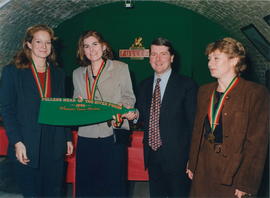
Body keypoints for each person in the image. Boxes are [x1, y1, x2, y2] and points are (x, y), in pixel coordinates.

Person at [186, 37, 269, 198]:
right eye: (209, 59)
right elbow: (197, 131)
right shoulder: (204, 91)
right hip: (203, 168)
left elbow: (257, 144)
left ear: (234, 60)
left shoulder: (255, 93)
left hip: (233, 172)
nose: (210, 64)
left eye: (216, 58)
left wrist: (247, 182)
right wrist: (192, 162)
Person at [0, 24, 73, 197]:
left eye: (47, 42)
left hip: (54, 141)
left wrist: (68, 137)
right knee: (32, 192)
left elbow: (62, 109)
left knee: (53, 192)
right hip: (27, 141)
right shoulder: (13, 72)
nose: (43, 46)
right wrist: (17, 142)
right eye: (38, 41)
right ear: (28, 44)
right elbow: (7, 109)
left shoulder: (59, 74)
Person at [130, 37, 197, 197]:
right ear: (149, 58)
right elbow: (141, 117)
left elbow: (194, 125)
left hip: (179, 159)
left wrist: (192, 159)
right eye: (154, 54)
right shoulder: (144, 85)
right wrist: (132, 116)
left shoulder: (187, 85)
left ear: (172, 58)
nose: (158, 59)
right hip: (152, 156)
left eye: (163, 54)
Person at [72, 30, 136, 197]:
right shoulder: (78, 74)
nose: (91, 49)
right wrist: (77, 105)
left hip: (113, 133)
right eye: (86, 46)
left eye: (95, 44)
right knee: (87, 185)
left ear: (104, 46)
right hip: (87, 135)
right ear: (82, 50)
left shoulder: (120, 68)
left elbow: (129, 97)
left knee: (113, 184)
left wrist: (122, 109)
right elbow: (75, 105)